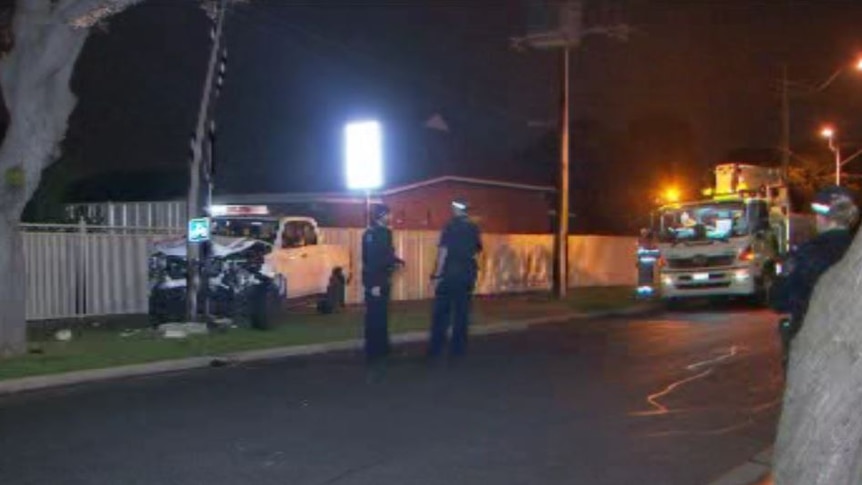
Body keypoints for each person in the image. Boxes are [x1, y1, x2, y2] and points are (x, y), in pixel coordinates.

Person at [770, 185, 858, 369]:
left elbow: (780, 300)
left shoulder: (807, 254)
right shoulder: (856, 251)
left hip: (813, 343)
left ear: (821, 217)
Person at [427, 199, 483, 362]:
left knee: (441, 313)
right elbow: (477, 251)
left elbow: (443, 252)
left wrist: (437, 275)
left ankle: (436, 348)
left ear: (456, 209)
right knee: (462, 312)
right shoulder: (473, 227)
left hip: (450, 274)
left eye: (452, 207)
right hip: (467, 274)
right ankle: (458, 349)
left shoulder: (450, 226)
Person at [361, 204, 404, 374]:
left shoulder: (369, 234)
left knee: (376, 314)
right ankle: (377, 351)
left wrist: (397, 261)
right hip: (378, 281)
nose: (390, 217)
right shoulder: (383, 233)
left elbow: (375, 257)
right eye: (388, 214)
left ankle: (378, 349)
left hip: (374, 279)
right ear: (381, 216)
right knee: (378, 316)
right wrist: (375, 284)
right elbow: (376, 259)